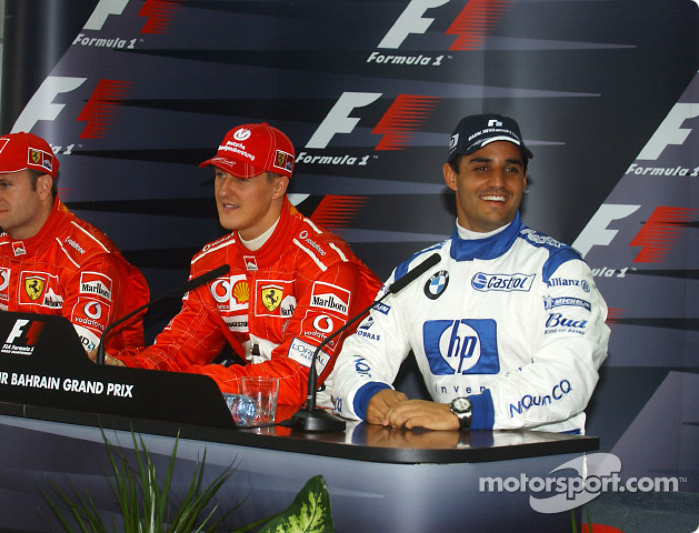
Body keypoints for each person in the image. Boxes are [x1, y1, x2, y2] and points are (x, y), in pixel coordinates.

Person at [329, 113, 610, 433]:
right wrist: (368, 395)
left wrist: (462, 412)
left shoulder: (559, 268)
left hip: (540, 467)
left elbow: (570, 374)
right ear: (452, 176)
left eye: (511, 169)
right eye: (481, 167)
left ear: (524, 178)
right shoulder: (417, 271)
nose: (498, 181)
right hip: (445, 464)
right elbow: (358, 356)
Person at [114, 123, 382, 406]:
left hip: (339, 422)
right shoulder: (213, 262)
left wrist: (200, 384)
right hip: (260, 413)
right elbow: (177, 351)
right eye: (220, 175)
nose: (224, 191)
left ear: (278, 186)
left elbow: (297, 379)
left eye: (241, 179)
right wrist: (127, 372)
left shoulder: (326, 264)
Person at [0, 132, 150, 357]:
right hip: (13, 391)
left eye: (4, 184)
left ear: (43, 187)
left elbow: (73, 359)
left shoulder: (91, 257)